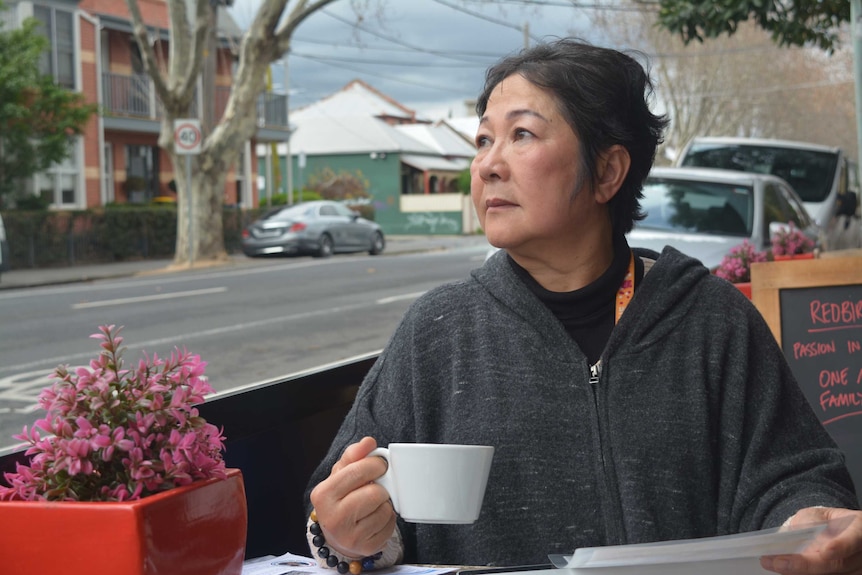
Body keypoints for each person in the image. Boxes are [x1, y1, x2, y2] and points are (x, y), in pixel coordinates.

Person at [304, 38, 862, 574]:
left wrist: (808, 518)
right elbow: (343, 511)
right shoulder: (439, 332)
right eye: (482, 141)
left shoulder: (712, 322)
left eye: (521, 135)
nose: (488, 166)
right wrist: (349, 535)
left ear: (607, 172)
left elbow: (793, 478)